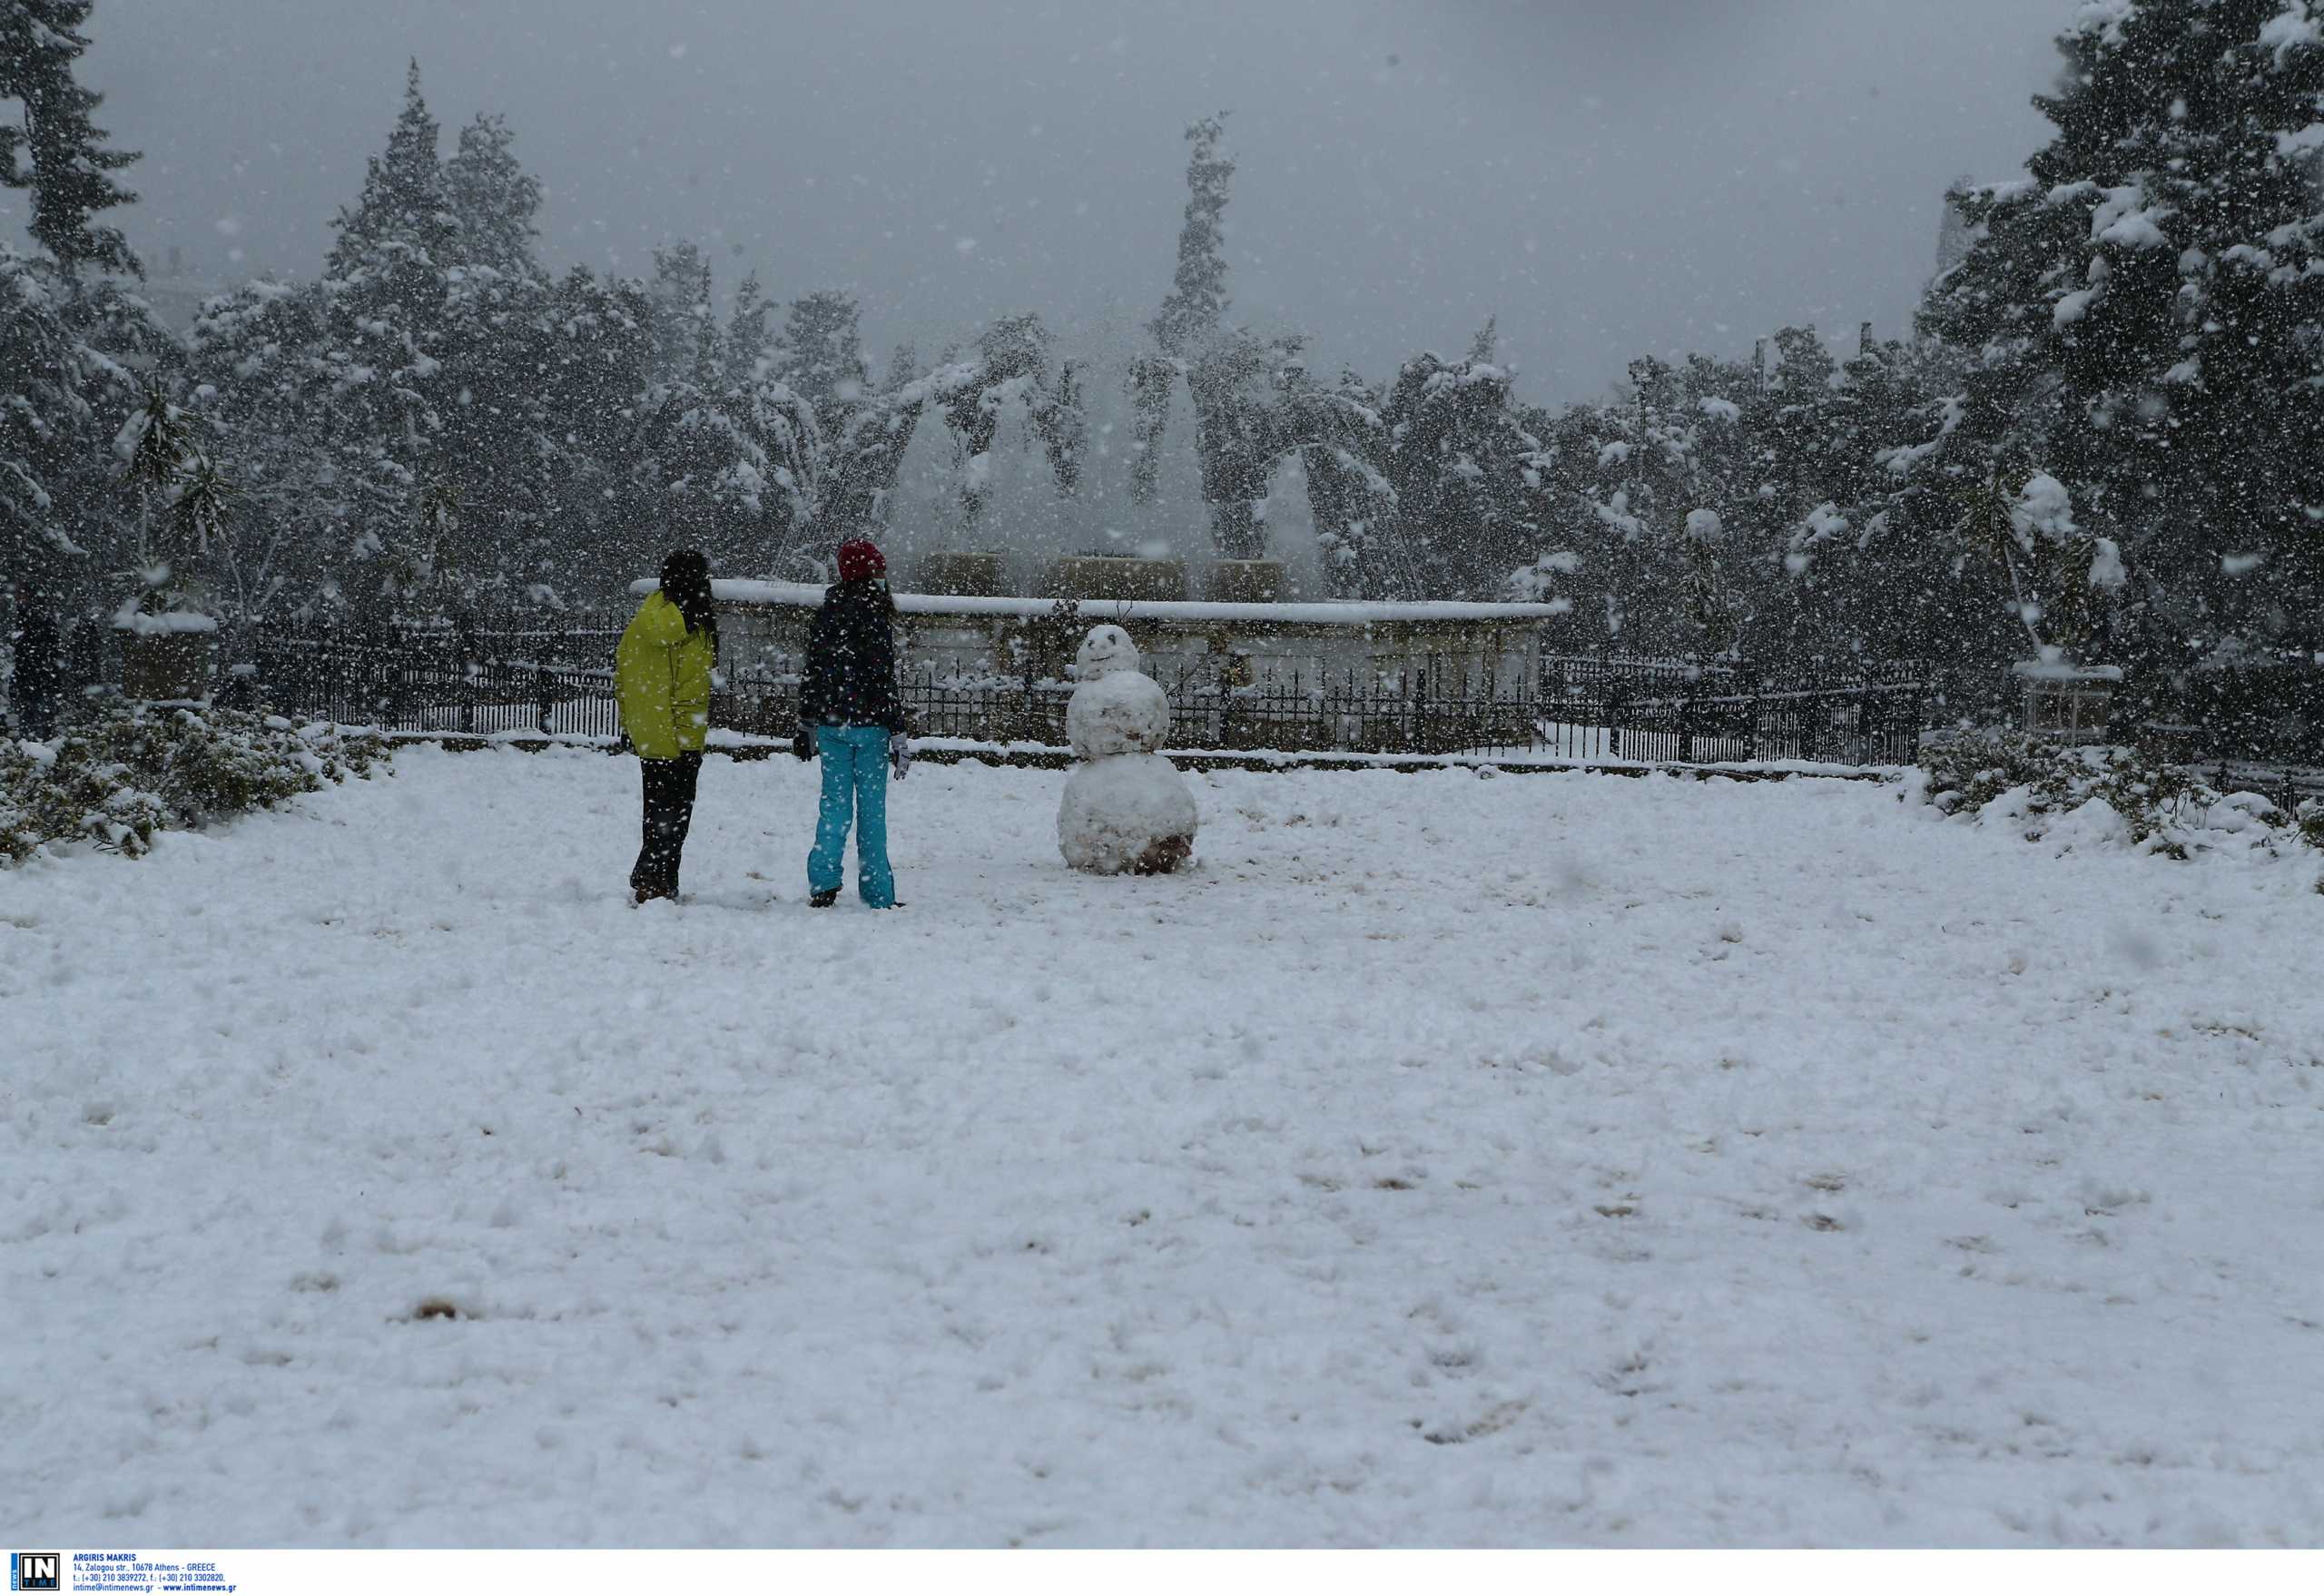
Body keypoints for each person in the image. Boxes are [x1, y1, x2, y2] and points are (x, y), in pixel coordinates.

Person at [796, 538, 911, 909]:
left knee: (834, 807)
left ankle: (823, 883)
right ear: (868, 574)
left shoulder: (828, 611)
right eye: (879, 570)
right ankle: (877, 890)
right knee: (872, 812)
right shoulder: (875, 615)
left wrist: (806, 722)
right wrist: (897, 731)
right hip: (871, 727)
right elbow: (882, 679)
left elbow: (813, 672)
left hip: (832, 726)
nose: (883, 577)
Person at [615, 550, 718, 903]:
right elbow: (686, 685)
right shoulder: (693, 620)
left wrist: (630, 721)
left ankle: (658, 879)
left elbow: (624, 673)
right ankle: (654, 879)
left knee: (662, 812)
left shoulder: (646, 621)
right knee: (673, 814)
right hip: (679, 731)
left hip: (654, 729)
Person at [9, 582, 63, 741]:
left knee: (38, 728)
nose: (17, 599)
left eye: (21, 595)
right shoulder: (26, 618)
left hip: (39, 682)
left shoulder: (36, 619)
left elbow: (43, 652)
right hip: (33, 682)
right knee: (33, 727)